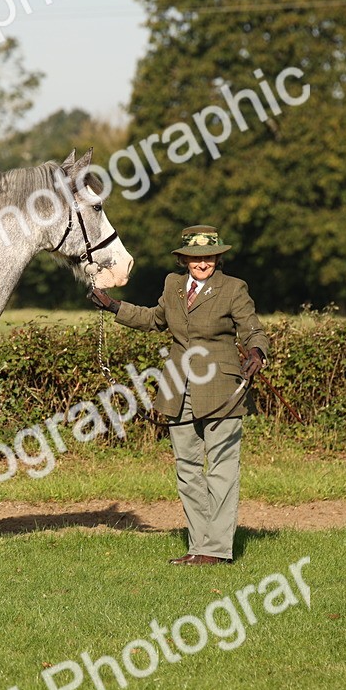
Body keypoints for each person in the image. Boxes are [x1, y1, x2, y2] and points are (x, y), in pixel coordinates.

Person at [90, 225, 269, 566]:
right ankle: (198, 545)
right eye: (195, 258)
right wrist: (114, 306)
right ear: (184, 259)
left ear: (218, 257)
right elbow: (154, 319)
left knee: (221, 470)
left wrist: (257, 352)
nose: (202, 263)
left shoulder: (233, 288)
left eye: (209, 257)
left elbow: (252, 329)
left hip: (222, 390)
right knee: (187, 469)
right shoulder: (173, 285)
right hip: (178, 389)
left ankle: (216, 550)